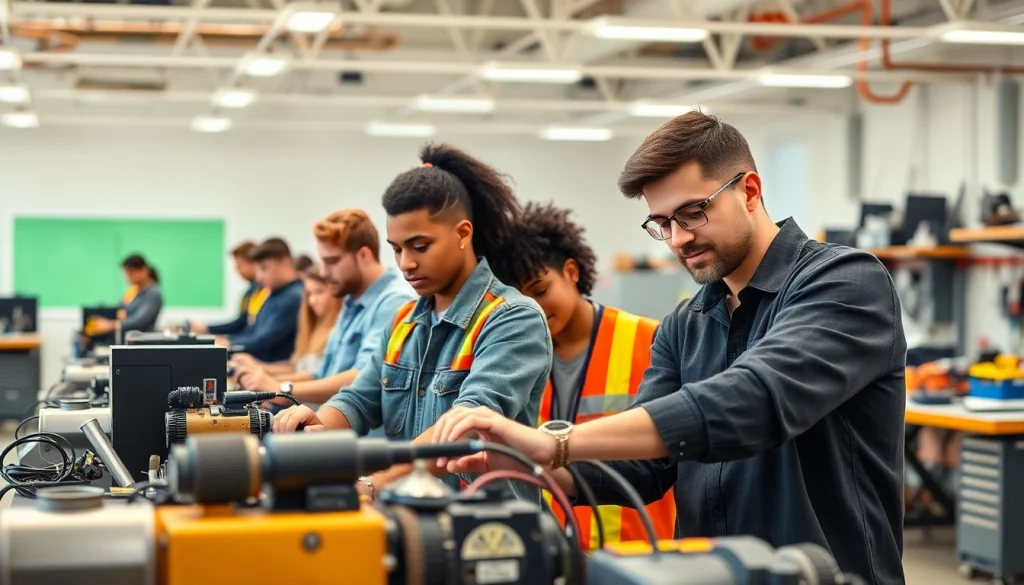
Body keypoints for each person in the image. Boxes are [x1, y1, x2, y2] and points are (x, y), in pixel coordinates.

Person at [433, 112, 907, 585]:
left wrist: (557, 442)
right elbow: (643, 466)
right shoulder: (684, 326)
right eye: (662, 223)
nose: (679, 239)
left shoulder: (845, 282)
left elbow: (756, 398)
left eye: (692, 213)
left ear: (749, 190)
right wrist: (531, 466)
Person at [272, 144, 552, 502]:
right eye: (397, 248)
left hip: (489, 533)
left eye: (420, 247)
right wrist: (317, 424)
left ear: (463, 233)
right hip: (412, 523)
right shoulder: (403, 321)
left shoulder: (512, 318)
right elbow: (359, 399)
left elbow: (465, 425)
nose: (405, 264)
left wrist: (376, 485)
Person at [489, 201, 677, 551]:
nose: (535, 309)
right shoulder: (512, 363)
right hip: (555, 555)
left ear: (572, 272)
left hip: (641, 556)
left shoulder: (652, 341)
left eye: (541, 291)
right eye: (521, 301)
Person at [234, 209, 415, 411]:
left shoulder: (393, 302)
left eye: (332, 261)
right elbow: (323, 373)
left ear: (364, 255)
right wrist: (267, 381)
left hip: (355, 436)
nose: (323, 272)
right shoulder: (351, 301)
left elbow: (363, 377)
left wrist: (282, 388)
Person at [216, 237, 304, 363]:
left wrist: (227, 342)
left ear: (284, 261)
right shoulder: (272, 293)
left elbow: (262, 341)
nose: (259, 276)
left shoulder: (293, 297)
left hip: (275, 373)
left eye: (264, 268)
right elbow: (250, 331)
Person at [189, 241, 267, 336]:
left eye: (239, 266)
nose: (237, 271)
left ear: (253, 263)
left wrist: (209, 329)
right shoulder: (252, 291)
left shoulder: (263, 291)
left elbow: (242, 324)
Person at [85, 253, 164, 338]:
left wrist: (110, 325)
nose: (127, 277)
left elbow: (139, 321)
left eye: (131, 273)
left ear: (144, 270)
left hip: (142, 340)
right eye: (126, 273)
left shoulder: (153, 293)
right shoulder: (133, 291)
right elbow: (120, 308)